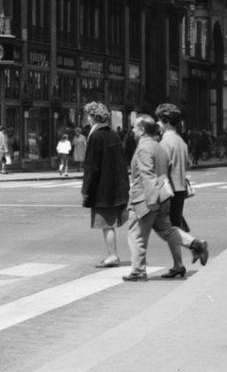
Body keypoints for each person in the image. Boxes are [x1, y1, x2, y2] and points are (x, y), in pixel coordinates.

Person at [123, 114, 186, 282]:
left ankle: (137, 271)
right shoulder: (159, 146)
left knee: (136, 235)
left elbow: (147, 176)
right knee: (167, 230)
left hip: (146, 199)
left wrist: (152, 201)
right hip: (163, 197)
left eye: (134, 127)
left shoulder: (144, 148)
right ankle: (195, 244)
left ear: (142, 130)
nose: (133, 130)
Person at [156, 103, 210, 267]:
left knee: (167, 229)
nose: (157, 125)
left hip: (168, 190)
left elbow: (162, 170)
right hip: (180, 189)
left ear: (166, 121)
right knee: (173, 227)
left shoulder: (165, 142)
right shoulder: (181, 141)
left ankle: (195, 246)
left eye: (159, 121)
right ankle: (178, 265)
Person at [80, 101, 130, 266]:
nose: (87, 118)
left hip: (103, 188)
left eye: (88, 115)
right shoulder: (113, 134)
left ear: (94, 117)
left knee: (106, 224)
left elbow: (91, 167)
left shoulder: (96, 136)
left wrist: (85, 189)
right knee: (109, 223)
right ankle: (112, 255)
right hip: (115, 186)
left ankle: (112, 256)